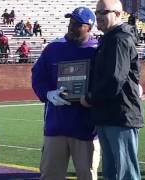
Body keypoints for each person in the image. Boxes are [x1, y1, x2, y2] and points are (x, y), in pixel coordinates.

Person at [32, 7, 100, 180]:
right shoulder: (53, 48)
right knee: (50, 175)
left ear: (89, 28)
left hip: (86, 128)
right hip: (56, 125)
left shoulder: (98, 50)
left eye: (77, 24)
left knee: (87, 176)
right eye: (71, 22)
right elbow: (38, 76)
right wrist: (47, 93)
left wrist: (92, 96)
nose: (71, 26)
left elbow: (105, 83)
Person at [80, 0, 143, 179]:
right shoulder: (110, 39)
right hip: (109, 114)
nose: (98, 17)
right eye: (97, 12)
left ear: (117, 14)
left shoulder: (119, 39)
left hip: (119, 116)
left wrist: (91, 98)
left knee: (125, 172)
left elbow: (115, 79)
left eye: (103, 12)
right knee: (112, 172)